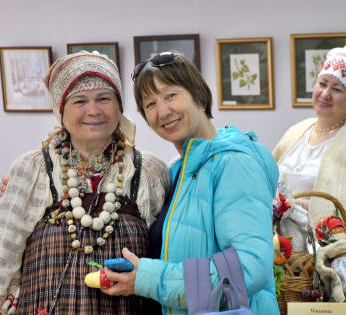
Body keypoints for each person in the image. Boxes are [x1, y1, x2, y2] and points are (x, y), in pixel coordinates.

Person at [0, 51, 169, 314]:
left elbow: (163, 255)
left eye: (104, 98)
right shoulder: (33, 168)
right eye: (80, 101)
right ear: (60, 110)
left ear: (120, 106)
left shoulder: (149, 171)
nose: (94, 110)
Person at [100, 52, 280, 315]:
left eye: (171, 95)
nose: (162, 111)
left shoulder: (233, 164)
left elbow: (249, 268)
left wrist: (149, 279)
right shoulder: (177, 171)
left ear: (198, 95)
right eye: (150, 104)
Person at [273, 46, 346, 291]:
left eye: (337, 89)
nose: (325, 94)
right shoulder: (297, 131)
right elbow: (267, 178)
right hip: (285, 261)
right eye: (322, 83)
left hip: (332, 266)